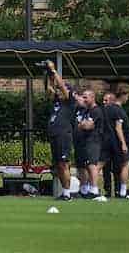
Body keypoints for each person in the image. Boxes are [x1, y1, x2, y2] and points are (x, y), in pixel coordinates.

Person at [44, 60, 77, 201]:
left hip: (64, 134)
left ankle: (67, 193)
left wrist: (53, 70)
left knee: (64, 164)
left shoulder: (70, 102)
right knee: (58, 165)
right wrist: (47, 75)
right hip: (54, 134)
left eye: (61, 90)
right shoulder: (56, 102)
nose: (59, 91)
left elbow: (61, 86)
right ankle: (64, 192)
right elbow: (49, 89)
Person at [100, 88, 129, 199]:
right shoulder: (118, 110)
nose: (128, 98)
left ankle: (104, 190)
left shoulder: (104, 110)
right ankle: (121, 191)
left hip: (106, 142)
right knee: (124, 164)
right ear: (123, 95)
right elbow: (118, 128)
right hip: (116, 142)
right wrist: (123, 143)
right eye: (127, 95)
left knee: (105, 167)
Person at [74, 88, 104, 199]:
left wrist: (82, 124)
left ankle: (94, 190)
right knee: (82, 166)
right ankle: (84, 190)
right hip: (83, 142)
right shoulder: (85, 111)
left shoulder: (96, 110)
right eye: (83, 97)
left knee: (92, 165)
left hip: (93, 141)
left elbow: (88, 125)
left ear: (92, 97)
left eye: (86, 97)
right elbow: (81, 124)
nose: (84, 99)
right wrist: (83, 124)